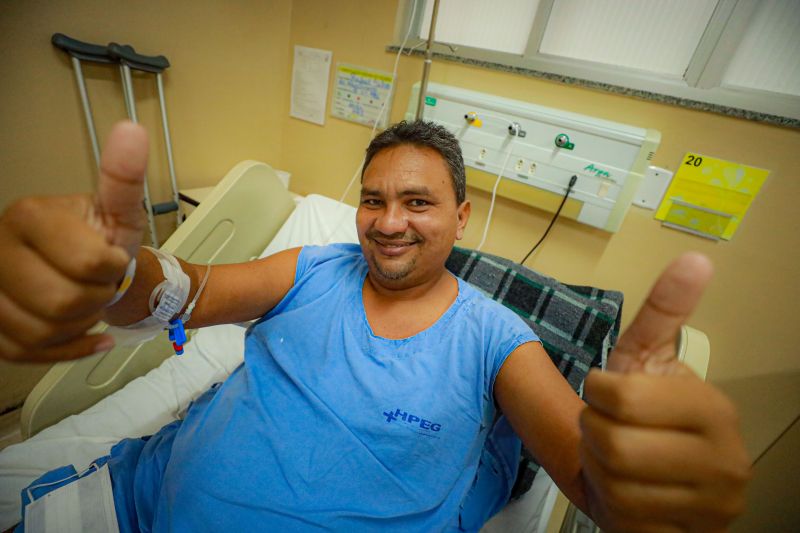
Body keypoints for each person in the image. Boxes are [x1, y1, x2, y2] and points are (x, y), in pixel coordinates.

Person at [0, 120, 750, 532]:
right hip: (135, 504)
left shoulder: (494, 338)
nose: (388, 224)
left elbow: (591, 478)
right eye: (373, 199)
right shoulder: (314, 268)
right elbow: (184, 294)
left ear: (461, 217)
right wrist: (121, 272)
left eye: (418, 203)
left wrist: (647, 484)